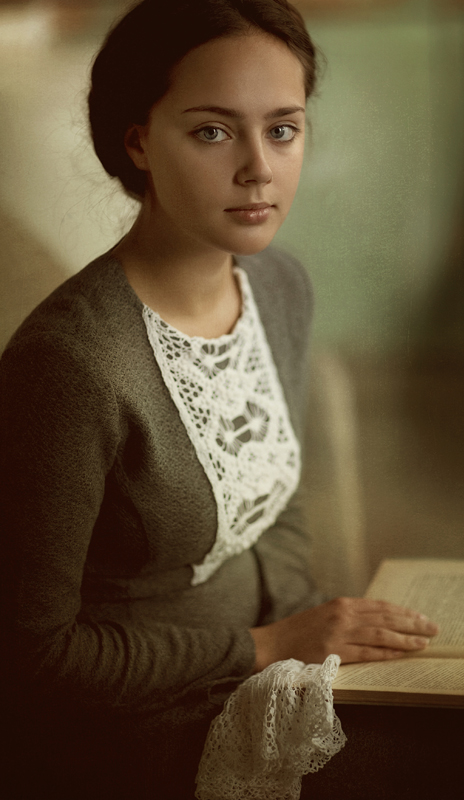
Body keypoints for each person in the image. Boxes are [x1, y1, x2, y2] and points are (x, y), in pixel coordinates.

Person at [0, 1, 438, 798]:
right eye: (211, 131)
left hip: (283, 676)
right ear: (138, 140)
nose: (258, 169)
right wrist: (267, 646)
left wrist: (323, 651)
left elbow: (282, 500)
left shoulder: (277, 284)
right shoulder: (68, 363)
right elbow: (31, 659)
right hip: (135, 735)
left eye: (282, 128)